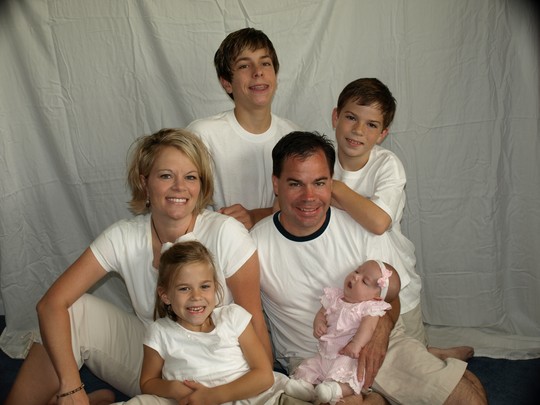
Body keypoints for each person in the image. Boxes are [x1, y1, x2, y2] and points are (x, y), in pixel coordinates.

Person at [5, 128, 272, 405]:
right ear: (144, 182)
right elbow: (50, 305)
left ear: (201, 185)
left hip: (225, 373)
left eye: (190, 177)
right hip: (158, 373)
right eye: (166, 175)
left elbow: (254, 318)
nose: (179, 187)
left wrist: (263, 391)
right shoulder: (123, 235)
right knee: (72, 310)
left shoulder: (226, 232)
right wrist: (71, 386)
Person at [250, 131, 487, 404]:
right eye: (295, 184)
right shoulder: (254, 245)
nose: (309, 196)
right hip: (313, 361)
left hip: (374, 340)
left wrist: (381, 334)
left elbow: (391, 298)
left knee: (467, 395)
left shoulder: (358, 226)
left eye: (319, 183)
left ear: (331, 183)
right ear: (276, 184)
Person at [330, 77, 473, 361]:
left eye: (371, 125)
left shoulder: (387, 165)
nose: (358, 130)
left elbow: (378, 222)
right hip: (351, 280)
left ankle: (431, 353)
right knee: (362, 351)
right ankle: (431, 352)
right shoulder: (323, 161)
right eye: (351, 117)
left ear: (382, 134)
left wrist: (336, 189)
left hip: (393, 282)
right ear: (335, 117)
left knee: (411, 352)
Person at [114, 241, 287, 405]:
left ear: (215, 287)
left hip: (254, 400)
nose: (196, 296)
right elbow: (148, 382)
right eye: (184, 288)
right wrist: (173, 388)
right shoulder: (159, 332)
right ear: (165, 295)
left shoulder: (233, 317)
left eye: (204, 286)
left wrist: (212, 396)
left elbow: (264, 376)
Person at [187, 27, 300, 230]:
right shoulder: (201, 136)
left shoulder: (294, 136)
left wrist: (255, 216)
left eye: (265, 63)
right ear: (226, 83)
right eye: (244, 66)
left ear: (275, 75)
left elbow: (303, 205)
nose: (258, 72)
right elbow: (181, 208)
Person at [285, 260, 401, 405]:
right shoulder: (335, 297)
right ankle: (306, 387)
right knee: (310, 366)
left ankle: (334, 390)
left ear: (376, 297)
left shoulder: (369, 308)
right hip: (324, 353)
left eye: (364, 281)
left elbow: (368, 328)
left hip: (346, 355)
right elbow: (322, 313)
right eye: (357, 271)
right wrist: (319, 323)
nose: (356, 277)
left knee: (348, 376)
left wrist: (356, 344)